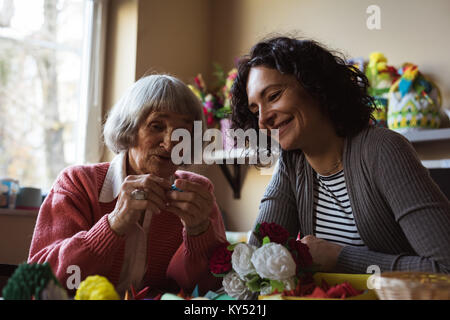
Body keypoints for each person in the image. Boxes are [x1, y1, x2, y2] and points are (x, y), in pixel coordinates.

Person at [231, 36, 450, 274]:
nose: (263, 120)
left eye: (273, 96)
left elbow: (445, 268)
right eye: (255, 110)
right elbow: (255, 265)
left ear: (314, 85)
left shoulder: (384, 150)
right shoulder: (292, 163)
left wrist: (340, 258)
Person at [28, 74, 227, 297]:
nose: (171, 142)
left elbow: (209, 289)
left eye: (184, 130)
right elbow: (42, 280)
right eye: (157, 125)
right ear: (129, 129)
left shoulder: (197, 192)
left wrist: (199, 233)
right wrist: (114, 224)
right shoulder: (78, 183)